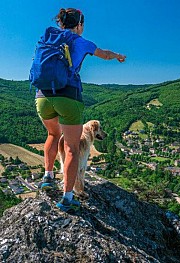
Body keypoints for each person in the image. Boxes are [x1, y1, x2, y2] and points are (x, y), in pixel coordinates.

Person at [36, 8, 126, 213]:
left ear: (62, 23)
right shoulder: (81, 41)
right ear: (79, 25)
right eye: (83, 25)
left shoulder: (49, 36)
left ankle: (48, 177)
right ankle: (67, 198)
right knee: (72, 148)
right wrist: (118, 56)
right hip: (68, 95)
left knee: (52, 134)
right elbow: (105, 54)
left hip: (42, 95)